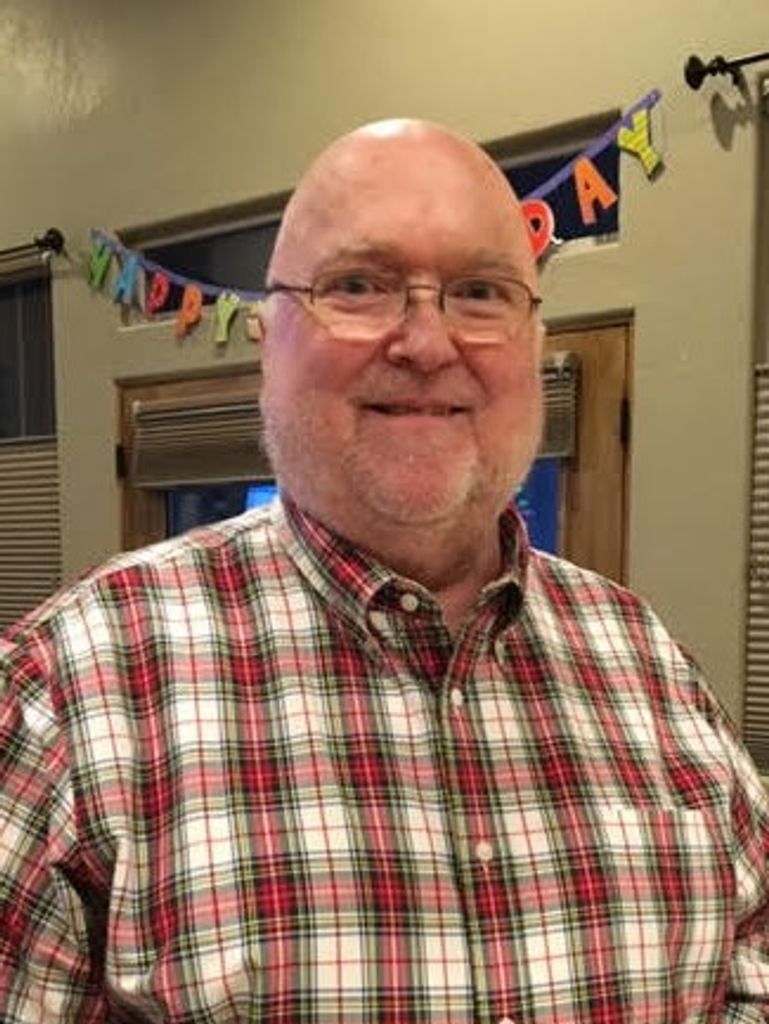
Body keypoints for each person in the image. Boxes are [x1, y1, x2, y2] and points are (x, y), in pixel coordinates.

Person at [1, 118, 768, 1023]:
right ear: (268, 337)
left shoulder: (647, 662)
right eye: (359, 285)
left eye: (479, 292)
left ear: (532, 341)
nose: (427, 342)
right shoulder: (71, 688)